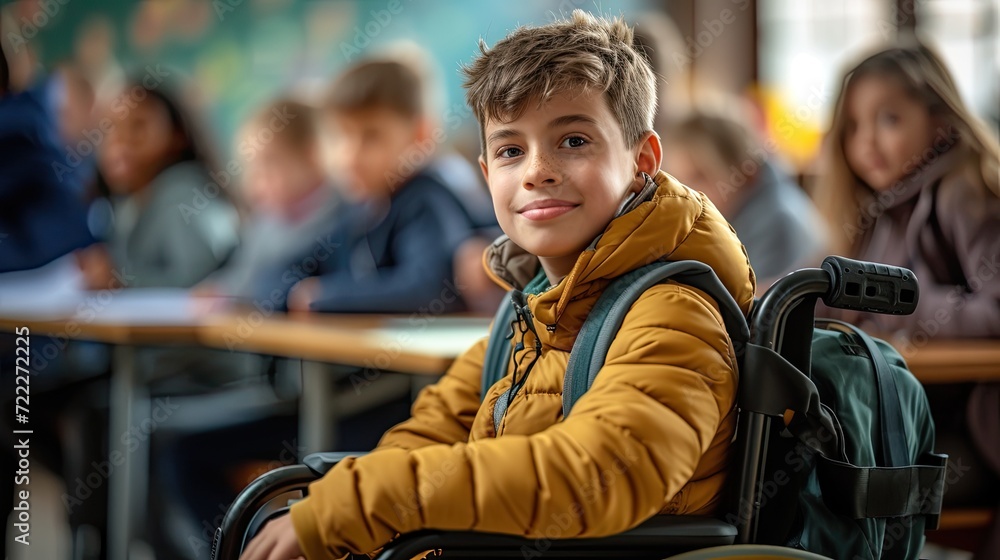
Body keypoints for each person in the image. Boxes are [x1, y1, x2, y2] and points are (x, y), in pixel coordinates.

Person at [242, 11, 755, 559]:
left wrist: (357, 505)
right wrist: (347, 513)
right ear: (488, 175)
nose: (537, 170)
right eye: (511, 150)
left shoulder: (676, 312)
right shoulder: (526, 315)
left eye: (574, 140)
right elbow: (427, 435)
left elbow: (596, 476)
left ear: (643, 161)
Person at [813, 39, 1000, 560]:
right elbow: (830, 291)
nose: (866, 141)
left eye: (889, 119)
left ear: (940, 119)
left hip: (973, 436)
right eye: (852, 126)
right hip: (914, 413)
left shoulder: (965, 190)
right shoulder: (879, 213)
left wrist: (899, 306)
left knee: (829, 477)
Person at [279, 58, 477, 314]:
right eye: (340, 136)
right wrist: (291, 293)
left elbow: (426, 290)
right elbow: (295, 267)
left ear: (419, 136)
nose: (349, 156)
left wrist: (323, 295)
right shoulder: (362, 207)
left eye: (371, 136)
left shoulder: (426, 199)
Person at [79, 76, 239, 290]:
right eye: (108, 129)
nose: (120, 141)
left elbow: (199, 279)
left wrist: (120, 281)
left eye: (138, 127)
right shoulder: (129, 201)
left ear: (177, 136)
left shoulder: (184, 194)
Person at [663, 109, 826, 281]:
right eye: (677, 180)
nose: (685, 192)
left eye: (699, 177)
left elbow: (749, 303)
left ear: (745, 173)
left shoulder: (775, 224)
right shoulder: (740, 215)